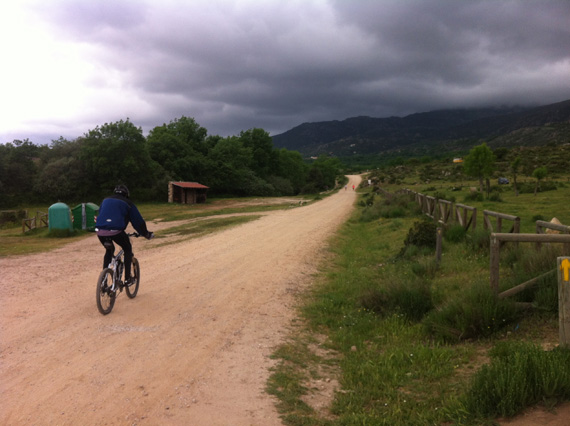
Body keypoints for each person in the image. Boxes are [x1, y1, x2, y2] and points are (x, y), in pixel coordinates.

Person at [95, 184, 153, 288]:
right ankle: (127, 279)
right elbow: (138, 221)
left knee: (109, 250)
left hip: (100, 231)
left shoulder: (105, 200)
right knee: (127, 249)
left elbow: (102, 214)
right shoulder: (128, 203)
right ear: (126, 194)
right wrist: (145, 233)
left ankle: (103, 282)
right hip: (116, 231)